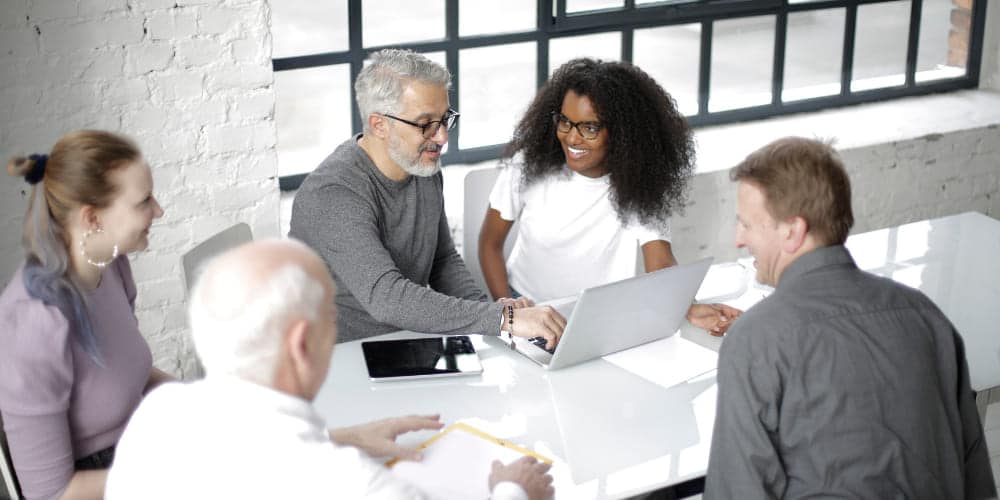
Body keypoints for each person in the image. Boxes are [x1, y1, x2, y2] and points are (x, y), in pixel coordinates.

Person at [105, 239, 555, 500]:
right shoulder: (353, 484)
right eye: (331, 321)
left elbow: (246, 461)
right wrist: (512, 490)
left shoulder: (156, 415)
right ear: (302, 344)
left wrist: (342, 435)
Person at [704, 137, 997, 498]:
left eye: (747, 224)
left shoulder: (755, 339)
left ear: (793, 231)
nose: (738, 239)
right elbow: (976, 480)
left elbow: (737, 491)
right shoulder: (926, 316)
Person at [289, 48, 566, 347]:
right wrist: (502, 320)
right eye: (425, 124)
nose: (442, 137)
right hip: (334, 357)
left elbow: (442, 260)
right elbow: (388, 298)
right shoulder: (333, 193)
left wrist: (497, 313)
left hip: (406, 342)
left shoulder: (422, 166)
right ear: (379, 124)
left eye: (445, 118)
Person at [479, 58, 740, 335]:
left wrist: (688, 305)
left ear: (622, 133)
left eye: (589, 128)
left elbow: (660, 261)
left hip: (594, 318)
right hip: (528, 307)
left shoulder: (638, 183)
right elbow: (489, 245)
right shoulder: (527, 166)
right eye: (565, 122)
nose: (572, 138)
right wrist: (509, 312)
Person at [0, 130, 172, 500]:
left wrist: (198, 396)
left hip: (138, 454)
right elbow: (51, 494)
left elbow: (124, 375)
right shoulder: (33, 324)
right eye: (144, 201)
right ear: (92, 218)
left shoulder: (112, 266)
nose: (158, 210)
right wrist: (165, 471)